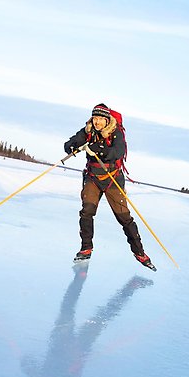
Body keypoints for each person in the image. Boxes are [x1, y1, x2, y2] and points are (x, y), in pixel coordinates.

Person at [64, 103, 155, 270]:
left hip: (113, 180)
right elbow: (73, 140)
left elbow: (117, 152)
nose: (97, 122)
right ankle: (86, 249)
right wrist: (70, 145)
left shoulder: (116, 132)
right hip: (93, 178)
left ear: (107, 120)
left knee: (124, 218)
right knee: (87, 212)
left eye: (100, 119)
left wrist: (98, 149)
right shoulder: (88, 130)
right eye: (95, 118)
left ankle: (140, 253)